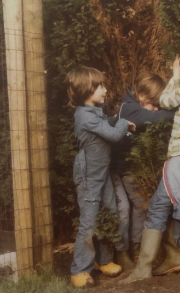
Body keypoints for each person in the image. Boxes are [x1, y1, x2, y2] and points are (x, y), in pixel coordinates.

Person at [121, 44, 180, 283]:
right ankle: (175, 258)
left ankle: (142, 269)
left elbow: (164, 101)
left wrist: (174, 76)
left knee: (157, 207)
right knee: (176, 207)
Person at [67, 66, 136, 288]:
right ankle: (80, 270)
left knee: (109, 213)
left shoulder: (95, 113)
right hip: (89, 176)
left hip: (102, 173)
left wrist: (118, 119)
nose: (105, 90)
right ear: (87, 90)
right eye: (100, 87)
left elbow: (108, 125)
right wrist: (124, 122)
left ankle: (103, 260)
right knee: (88, 222)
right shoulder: (84, 116)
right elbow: (114, 135)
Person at [109, 72, 175, 271]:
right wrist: (179, 111)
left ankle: (137, 247)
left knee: (139, 205)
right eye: (154, 104)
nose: (155, 109)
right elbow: (153, 118)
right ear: (143, 97)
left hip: (129, 170)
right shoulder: (128, 109)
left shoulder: (137, 107)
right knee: (123, 210)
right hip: (112, 170)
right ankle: (121, 253)